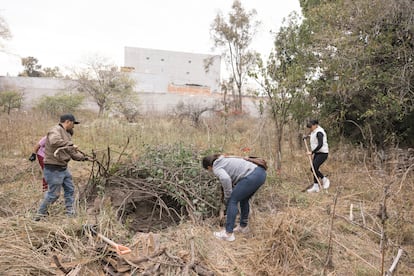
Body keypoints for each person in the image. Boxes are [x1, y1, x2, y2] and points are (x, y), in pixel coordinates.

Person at [34, 114, 88, 221]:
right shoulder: (55, 130)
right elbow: (54, 141)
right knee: (53, 195)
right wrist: (70, 144)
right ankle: (39, 215)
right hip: (53, 169)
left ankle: (70, 213)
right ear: (68, 122)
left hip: (63, 168)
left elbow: (71, 152)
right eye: (73, 124)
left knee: (70, 190)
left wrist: (84, 158)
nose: (73, 126)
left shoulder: (66, 134)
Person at [202, 154, 267, 242]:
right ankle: (243, 227)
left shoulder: (216, 167)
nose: (210, 171)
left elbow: (225, 179)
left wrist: (228, 195)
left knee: (232, 200)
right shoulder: (224, 159)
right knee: (244, 199)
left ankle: (228, 233)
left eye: (209, 170)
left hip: (252, 175)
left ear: (209, 166)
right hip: (261, 174)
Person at [305, 119, 330, 193]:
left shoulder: (319, 132)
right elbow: (312, 135)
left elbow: (320, 144)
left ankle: (324, 179)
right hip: (318, 153)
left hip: (323, 153)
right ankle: (316, 186)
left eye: (311, 127)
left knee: (314, 168)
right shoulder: (314, 131)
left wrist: (312, 152)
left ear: (315, 125)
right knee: (313, 168)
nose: (310, 128)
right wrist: (306, 137)